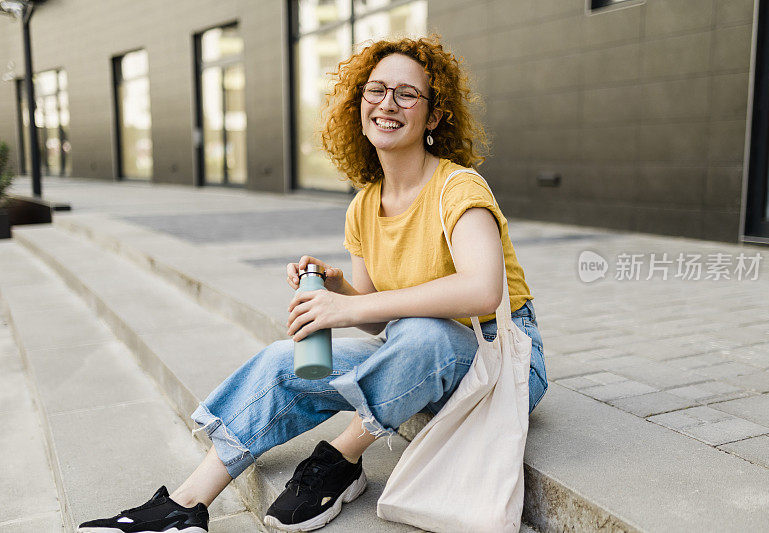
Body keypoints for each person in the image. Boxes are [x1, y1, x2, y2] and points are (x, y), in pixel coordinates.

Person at [77, 34, 548, 533]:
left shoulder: (459, 187)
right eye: (376, 90)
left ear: (433, 116)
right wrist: (342, 291)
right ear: (359, 104)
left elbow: (482, 291)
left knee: (422, 333)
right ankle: (186, 505)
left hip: (502, 361)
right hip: (417, 358)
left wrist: (347, 311)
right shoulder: (365, 206)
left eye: (407, 94)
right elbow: (380, 318)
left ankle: (339, 459)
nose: (388, 104)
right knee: (286, 360)